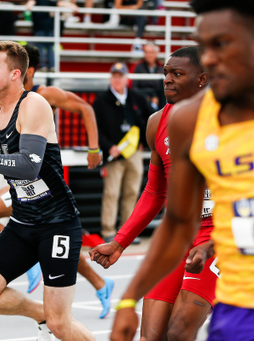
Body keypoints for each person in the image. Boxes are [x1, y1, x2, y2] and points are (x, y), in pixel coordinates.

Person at [110, 1, 254, 340]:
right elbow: (174, 220)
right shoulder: (185, 121)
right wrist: (128, 298)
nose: (211, 57)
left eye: (221, 44)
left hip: (219, 245)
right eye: (204, 46)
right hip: (236, 293)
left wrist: (214, 243)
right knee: (158, 335)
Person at [0, 40, 95, 341]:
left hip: (57, 225)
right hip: (22, 222)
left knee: (60, 323)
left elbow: (28, 167)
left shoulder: (34, 104)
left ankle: (51, 318)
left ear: (16, 74)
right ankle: (38, 313)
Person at [90, 46, 219, 341]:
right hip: (178, 236)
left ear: (202, 79)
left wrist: (214, 241)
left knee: (178, 332)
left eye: (177, 74)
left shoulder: (231, 121)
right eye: (165, 74)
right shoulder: (156, 122)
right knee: (150, 336)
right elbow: (153, 192)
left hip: (219, 237)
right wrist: (120, 242)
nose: (167, 80)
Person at [93, 62, 153, 243]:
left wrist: (144, 141)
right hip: (114, 154)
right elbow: (96, 128)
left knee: (132, 191)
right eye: (115, 76)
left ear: (127, 78)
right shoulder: (101, 100)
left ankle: (126, 232)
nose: (117, 79)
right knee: (112, 192)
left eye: (121, 76)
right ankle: (108, 230)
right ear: (111, 78)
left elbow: (151, 117)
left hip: (134, 153)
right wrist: (108, 146)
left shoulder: (137, 97)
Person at [25, 0, 79, 72]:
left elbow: (29, 6)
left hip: (41, 27)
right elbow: (60, 3)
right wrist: (73, 6)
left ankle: (44, 66)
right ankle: (51, 66)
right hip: (46, 27)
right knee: (49, 46)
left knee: (43, 46)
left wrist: (73, 6)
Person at [132, 42, 165, 110]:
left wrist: (155, 97)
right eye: (147, 52)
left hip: (158, 102)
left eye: (151, 52)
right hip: (142, 103)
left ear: (156, 53)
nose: (149, 55)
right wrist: (147, 98)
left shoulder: (161, 68)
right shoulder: (138, 67)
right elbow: (134, 88)